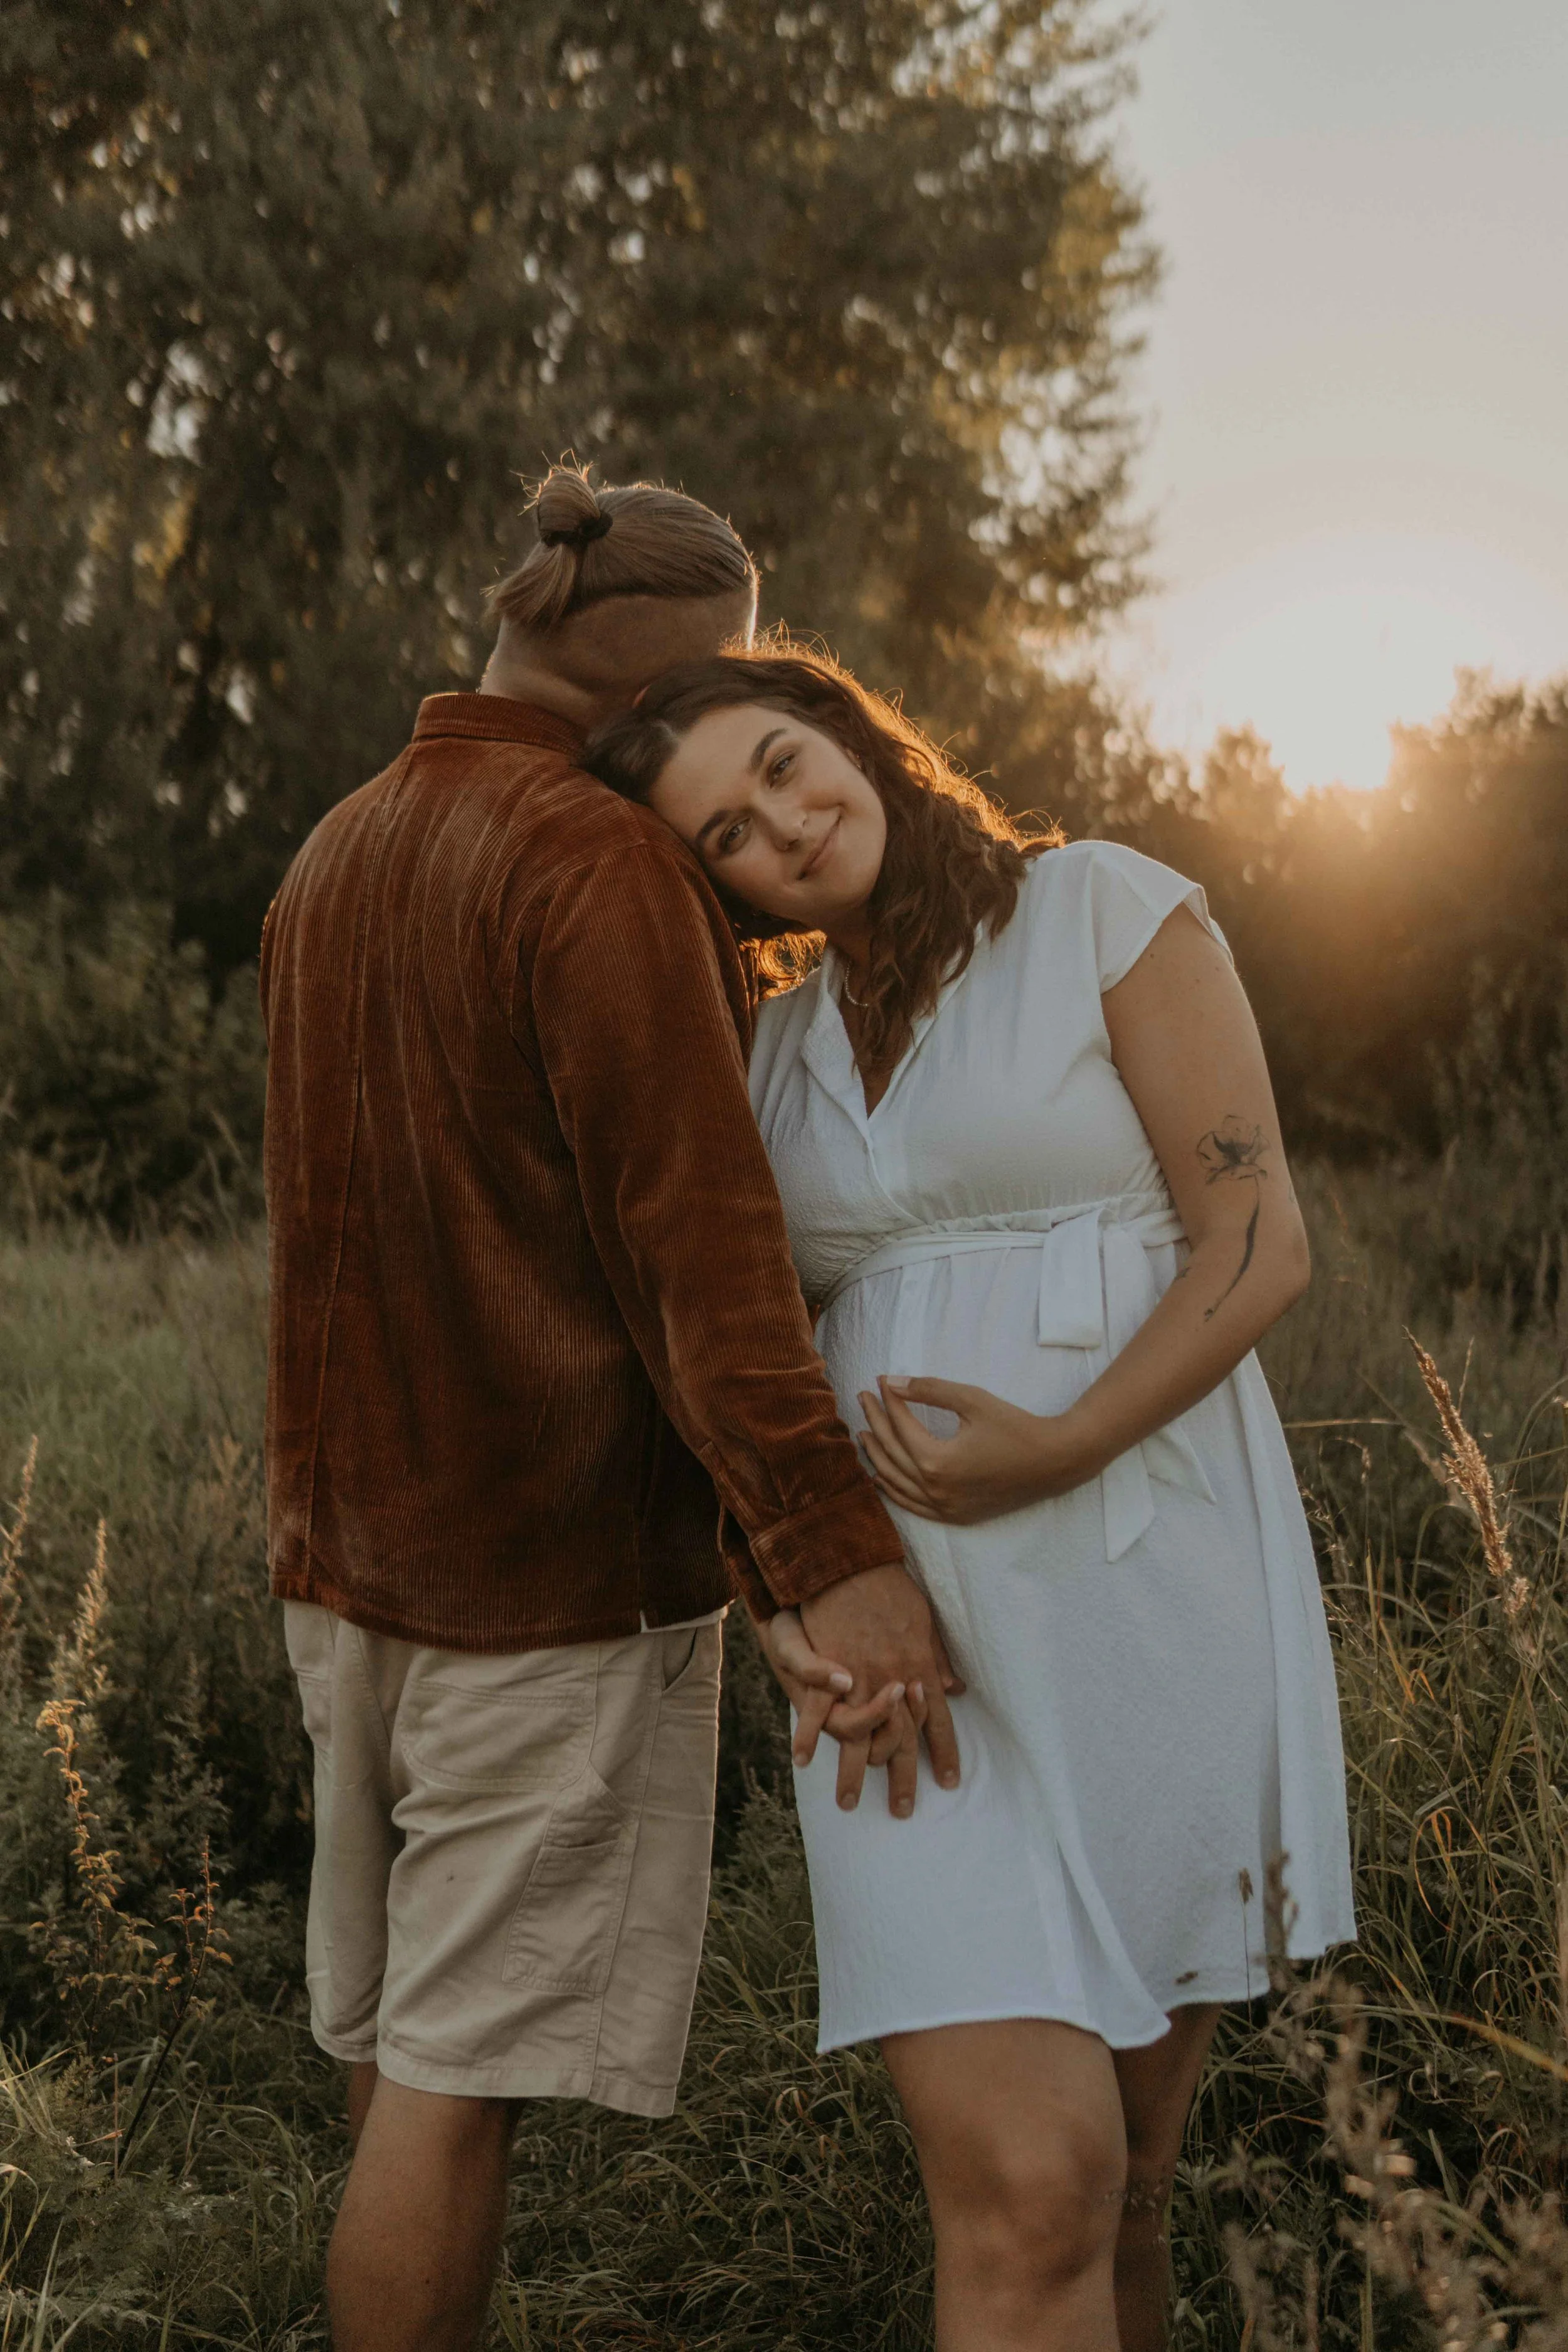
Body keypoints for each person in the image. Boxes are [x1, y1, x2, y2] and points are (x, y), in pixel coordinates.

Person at [584, 647, 1357, 2352]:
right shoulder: (770, 1048)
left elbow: (1254, 1237)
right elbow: (729, 1352)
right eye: (727, 831)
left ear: (852, 732)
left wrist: (1058, 1442)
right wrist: (777, 1591)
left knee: (1128, 2181)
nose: (782, 824)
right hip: (901, 1663)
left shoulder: (1100, 910)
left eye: (786, 763)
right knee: (1028, 2180)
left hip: (1150, 1588)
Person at [258, 474, 958, 2352]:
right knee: (453, 2095)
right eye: (731, 668)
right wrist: (833, 1555)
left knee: (403, 2049)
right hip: (534, 1584)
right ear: (650, 656)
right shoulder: (595, 861)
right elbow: (701, 1258)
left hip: (345, 1568)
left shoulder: (335, 848)